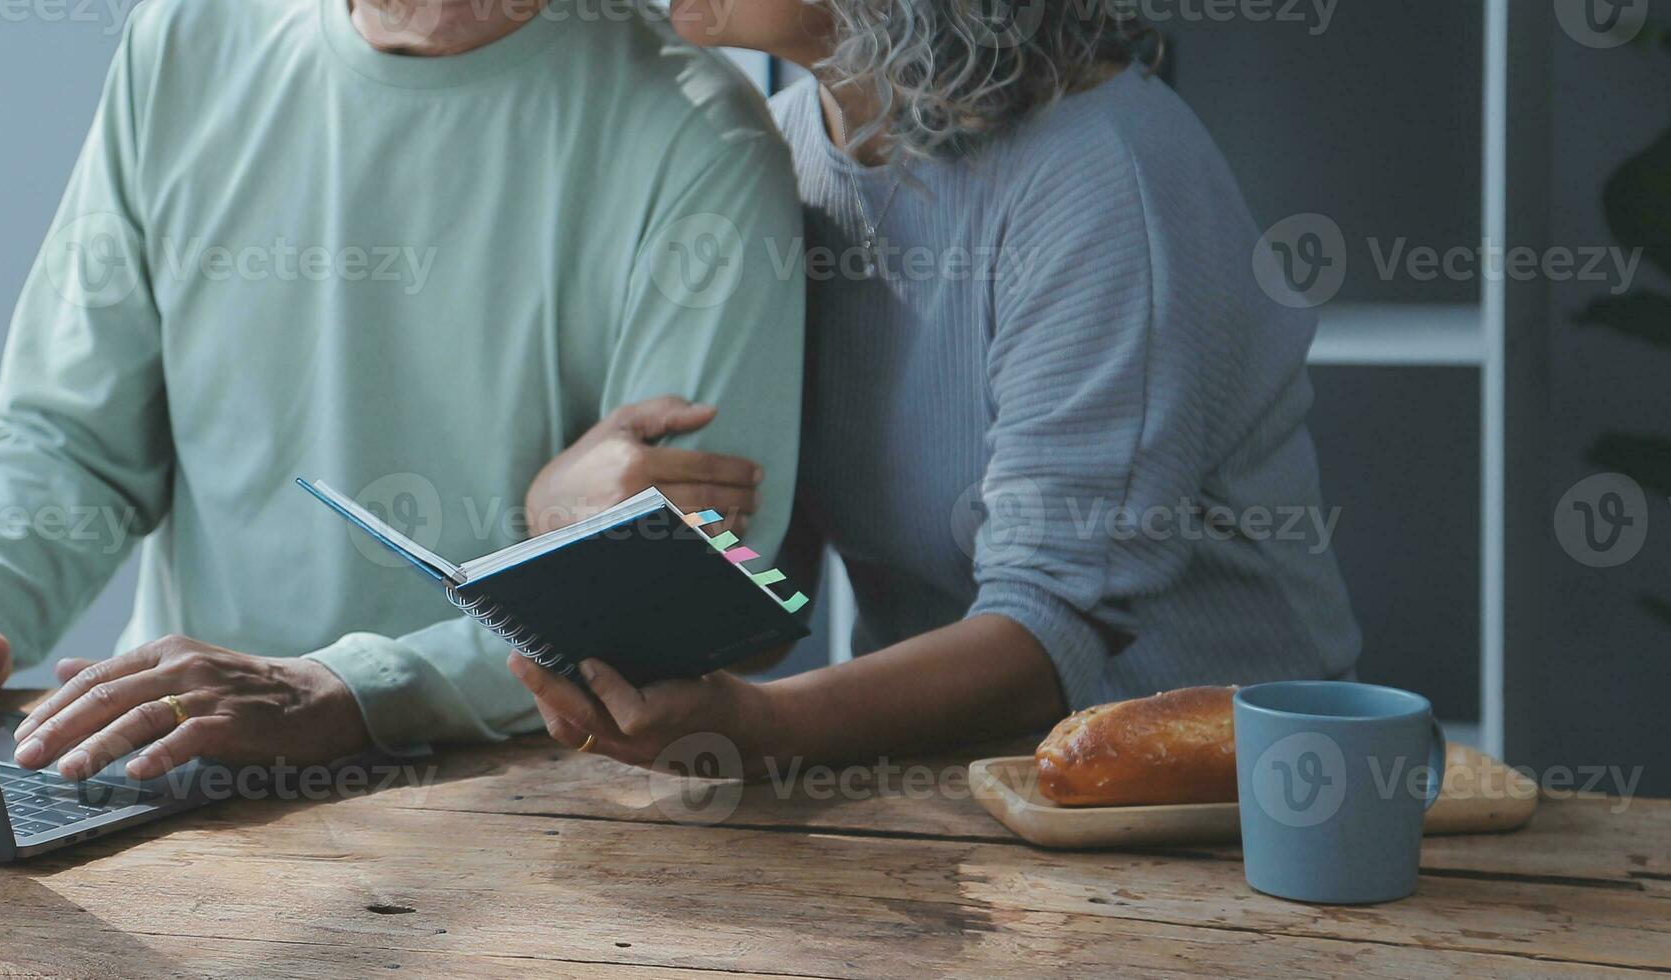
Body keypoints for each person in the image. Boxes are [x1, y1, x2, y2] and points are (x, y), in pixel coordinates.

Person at [0, 0, 804, 781]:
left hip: (524, 797)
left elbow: (666, 604)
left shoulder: (698, 142)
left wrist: (344, 689)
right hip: (162, 760)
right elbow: (70, 441)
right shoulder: (181, 39)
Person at [513, 0, 1359, 767]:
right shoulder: (779, 154)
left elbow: (1051, 630)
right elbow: (764, 598)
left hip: (1229, 801)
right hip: (951, 790)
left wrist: (761, 728)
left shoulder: (1104, 169)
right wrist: (564, 514)